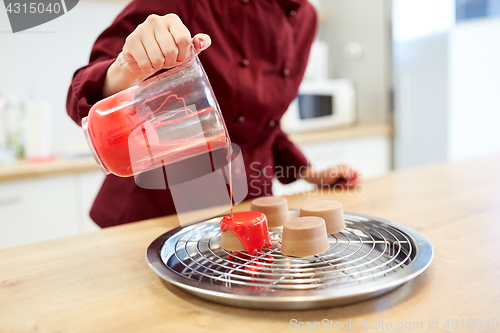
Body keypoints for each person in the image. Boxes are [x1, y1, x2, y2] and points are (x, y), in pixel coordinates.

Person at [66, 0, 360, 228]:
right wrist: (128, 67)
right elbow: (80, 95)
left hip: (249, 204)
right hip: (157, 212)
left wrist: (307, 172)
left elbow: (263, 123)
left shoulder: (305, 16)